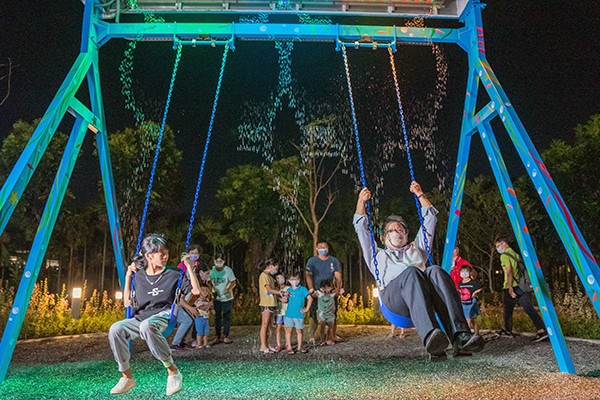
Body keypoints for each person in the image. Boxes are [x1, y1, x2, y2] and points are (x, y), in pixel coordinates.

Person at [354, 183, 485, 362]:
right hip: (395, 302)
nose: (395, 232)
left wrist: (420, 194)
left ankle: (460, 337)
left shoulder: (417, 249)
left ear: (407, 234)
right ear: (383, 238)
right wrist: (361, 202)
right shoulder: (377, 255)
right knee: (412, 272)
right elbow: (361, 228)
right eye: (390, 230)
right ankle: (431, 336)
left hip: (423, 297)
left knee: (436, 271)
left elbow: (430, 219)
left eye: (400, 229)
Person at [108, 233, 200, 396]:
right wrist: (129, 276)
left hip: (164, 316)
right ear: (149, 256)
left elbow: (196, 292)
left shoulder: (173, 274)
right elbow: (127, 304)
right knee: (116, 329)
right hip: (141, 318)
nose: (165, 256)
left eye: (166, 252)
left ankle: (173, 372)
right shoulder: (139, 276)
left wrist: (189, 267)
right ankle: (127, 377)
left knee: (147, 326)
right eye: (161, 253)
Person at [495, 238, 549, 342]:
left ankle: (508, 331)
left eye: (498, 246)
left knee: (507, 309)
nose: (498, 248)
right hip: (521, 285)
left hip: (511, 286)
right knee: (528, 308)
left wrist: (510, 287)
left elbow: (509, 271)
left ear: (504, 244)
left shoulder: (504, 256)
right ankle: (541, 331)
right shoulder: (516, 254)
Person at [305, 242, 342, 345]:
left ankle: (332, 336)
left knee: (332, 314)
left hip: (330, 291)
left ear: (328, 248)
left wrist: (338, 289)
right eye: (320, 247)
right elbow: (308, 275)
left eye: (324, 247)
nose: (322, 249)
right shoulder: (312, 261)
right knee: (313, 314)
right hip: (317, 291)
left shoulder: (333, 261)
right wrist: (311, 289)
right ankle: (312, 336)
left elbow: (338, 276)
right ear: (316, 249)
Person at [209, 254, 236, 345]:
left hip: (227, 298)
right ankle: (217, 336)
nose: (219, 263)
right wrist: (210, 292)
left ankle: (226, 336)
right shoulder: (212, 271)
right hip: (216, 298)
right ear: (214, 261)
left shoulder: (228, 270)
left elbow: (233, 282)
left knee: (226, 317)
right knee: (217, 317)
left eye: (220, 261)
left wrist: (228, 289)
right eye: (217, 261)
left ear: (223, 262)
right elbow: (208, 282)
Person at [284, 273, 313, 354]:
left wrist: (306, 309)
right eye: (292, 280)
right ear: (289, 281)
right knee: (288, 330)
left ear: (299, 280)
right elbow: (284, 301)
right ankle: (289, 347)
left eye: (296, 279)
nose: (294, 281)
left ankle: (299, 347)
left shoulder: (303, 289)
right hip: (289, 314)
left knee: (299, 331)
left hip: (299, 314)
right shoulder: (288, 290)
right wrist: (284, 296)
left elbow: (310, 298)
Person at [258, 259, 281, 353]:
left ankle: (269, 344)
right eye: (276, 268)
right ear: (270, 266)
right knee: (265, 324)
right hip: (266, 303)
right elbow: (269, 290)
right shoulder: (263, 276)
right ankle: (263, 345)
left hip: (272, 303)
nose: (276, 270)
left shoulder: (271, 277)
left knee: (271, 325)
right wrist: (280, 292)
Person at [458, 265, 483, 335]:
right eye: (462, 271)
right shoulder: (460, 283)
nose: (464, 273)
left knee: (473, 320)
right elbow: (460, 291)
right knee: (467, 319)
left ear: (470, 272)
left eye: (466, 271)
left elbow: (480, 288)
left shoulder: (473, 282)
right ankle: (468, 335)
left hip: (471, 303)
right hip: (464, 303)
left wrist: (475, 293)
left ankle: (474, 334)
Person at [317, 279, 338, 346]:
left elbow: (339, 291)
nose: (326, 290)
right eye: (325, 288)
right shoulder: (320, 294)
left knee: (330, 326)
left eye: (328, 288)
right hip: (321, 313)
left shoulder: (332, 295)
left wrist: (337, 288)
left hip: (330, 313)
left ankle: (329, 339)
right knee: (322, 325)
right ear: (321, 288)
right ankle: (322, 340)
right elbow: (313, 293)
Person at [194, 284, 214, 349]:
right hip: (200, 318)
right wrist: (209, 304)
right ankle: (199, 344)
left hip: (206, 318)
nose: (205, 292)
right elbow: (201, 308)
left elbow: (209, 308)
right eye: (203, 290)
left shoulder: (207, 300)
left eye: (206, 291)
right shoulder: (199, 300)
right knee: (199, 332)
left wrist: (212, 310)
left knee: (206, 332)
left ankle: (205, 343)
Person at [275, 273, 290, 352]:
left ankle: (287, 344)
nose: (280, 280)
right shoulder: (275, 290)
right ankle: (278, 345)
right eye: (278, 278)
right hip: (279, 312)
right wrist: (280, 299)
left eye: (281, 278)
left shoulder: (288, 288)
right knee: (278, 328)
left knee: (286, 328)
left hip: (286, 311)